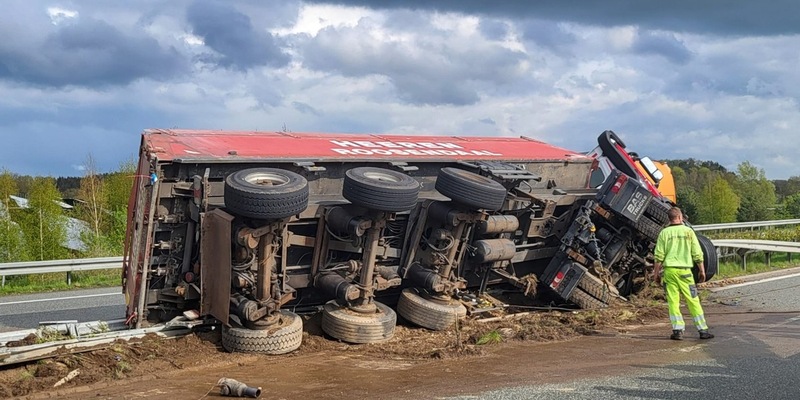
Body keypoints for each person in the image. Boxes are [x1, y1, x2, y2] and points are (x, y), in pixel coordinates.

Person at [652, 206, 714, 340]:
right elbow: (697, 253)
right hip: (685, 273)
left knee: (673, 302)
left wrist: (656, 274)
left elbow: (658, 256)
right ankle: (702, 330)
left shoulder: (664, 233)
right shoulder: (689, 232)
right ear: (680, 217)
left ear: (669, 219)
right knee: (693, 301)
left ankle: (678, 331)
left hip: (669, 273)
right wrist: (702, 271)